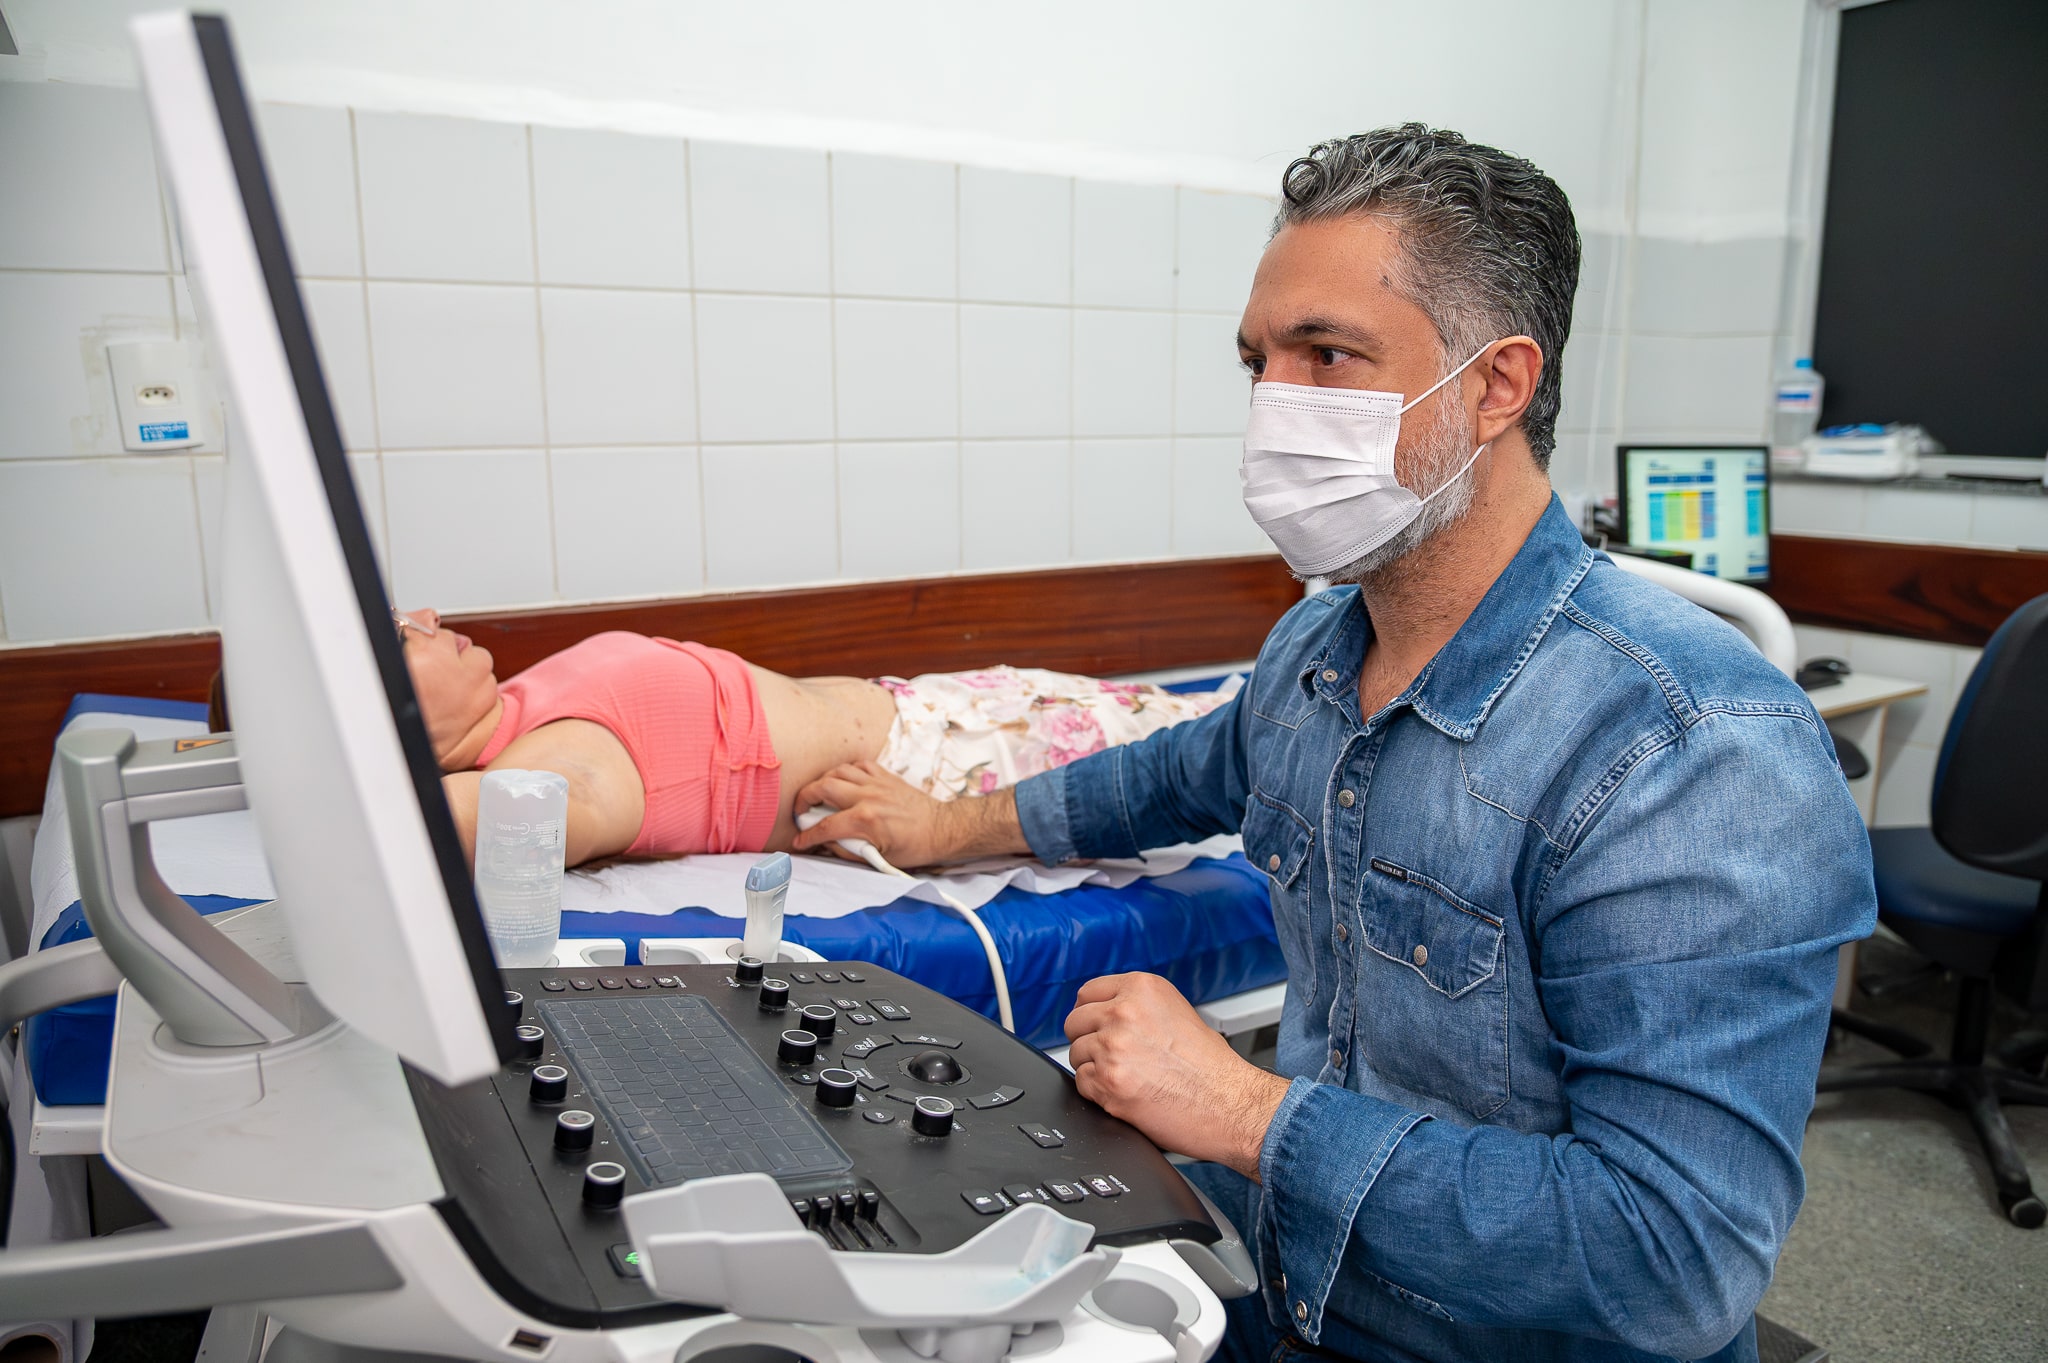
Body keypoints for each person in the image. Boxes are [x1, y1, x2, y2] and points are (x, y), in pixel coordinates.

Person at [792, 125, 1875, 1363]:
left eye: (1326, 355)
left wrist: (1246, 1113)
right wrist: (947, 825)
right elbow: (1166, 778)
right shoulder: (1315, 650)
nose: (1274, 408)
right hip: (1295, 1289)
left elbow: (1671, 1261)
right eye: (1257, 362)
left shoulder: (1688, 753)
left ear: (1495, 385)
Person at [388, 609, 1233, 867]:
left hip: (938, 704)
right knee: (1245, 743)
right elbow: (445, 817)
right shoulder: (556, 766)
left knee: (1215, 713)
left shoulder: (518, 705)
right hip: (943, 773)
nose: (426, 617)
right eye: (398, 633)